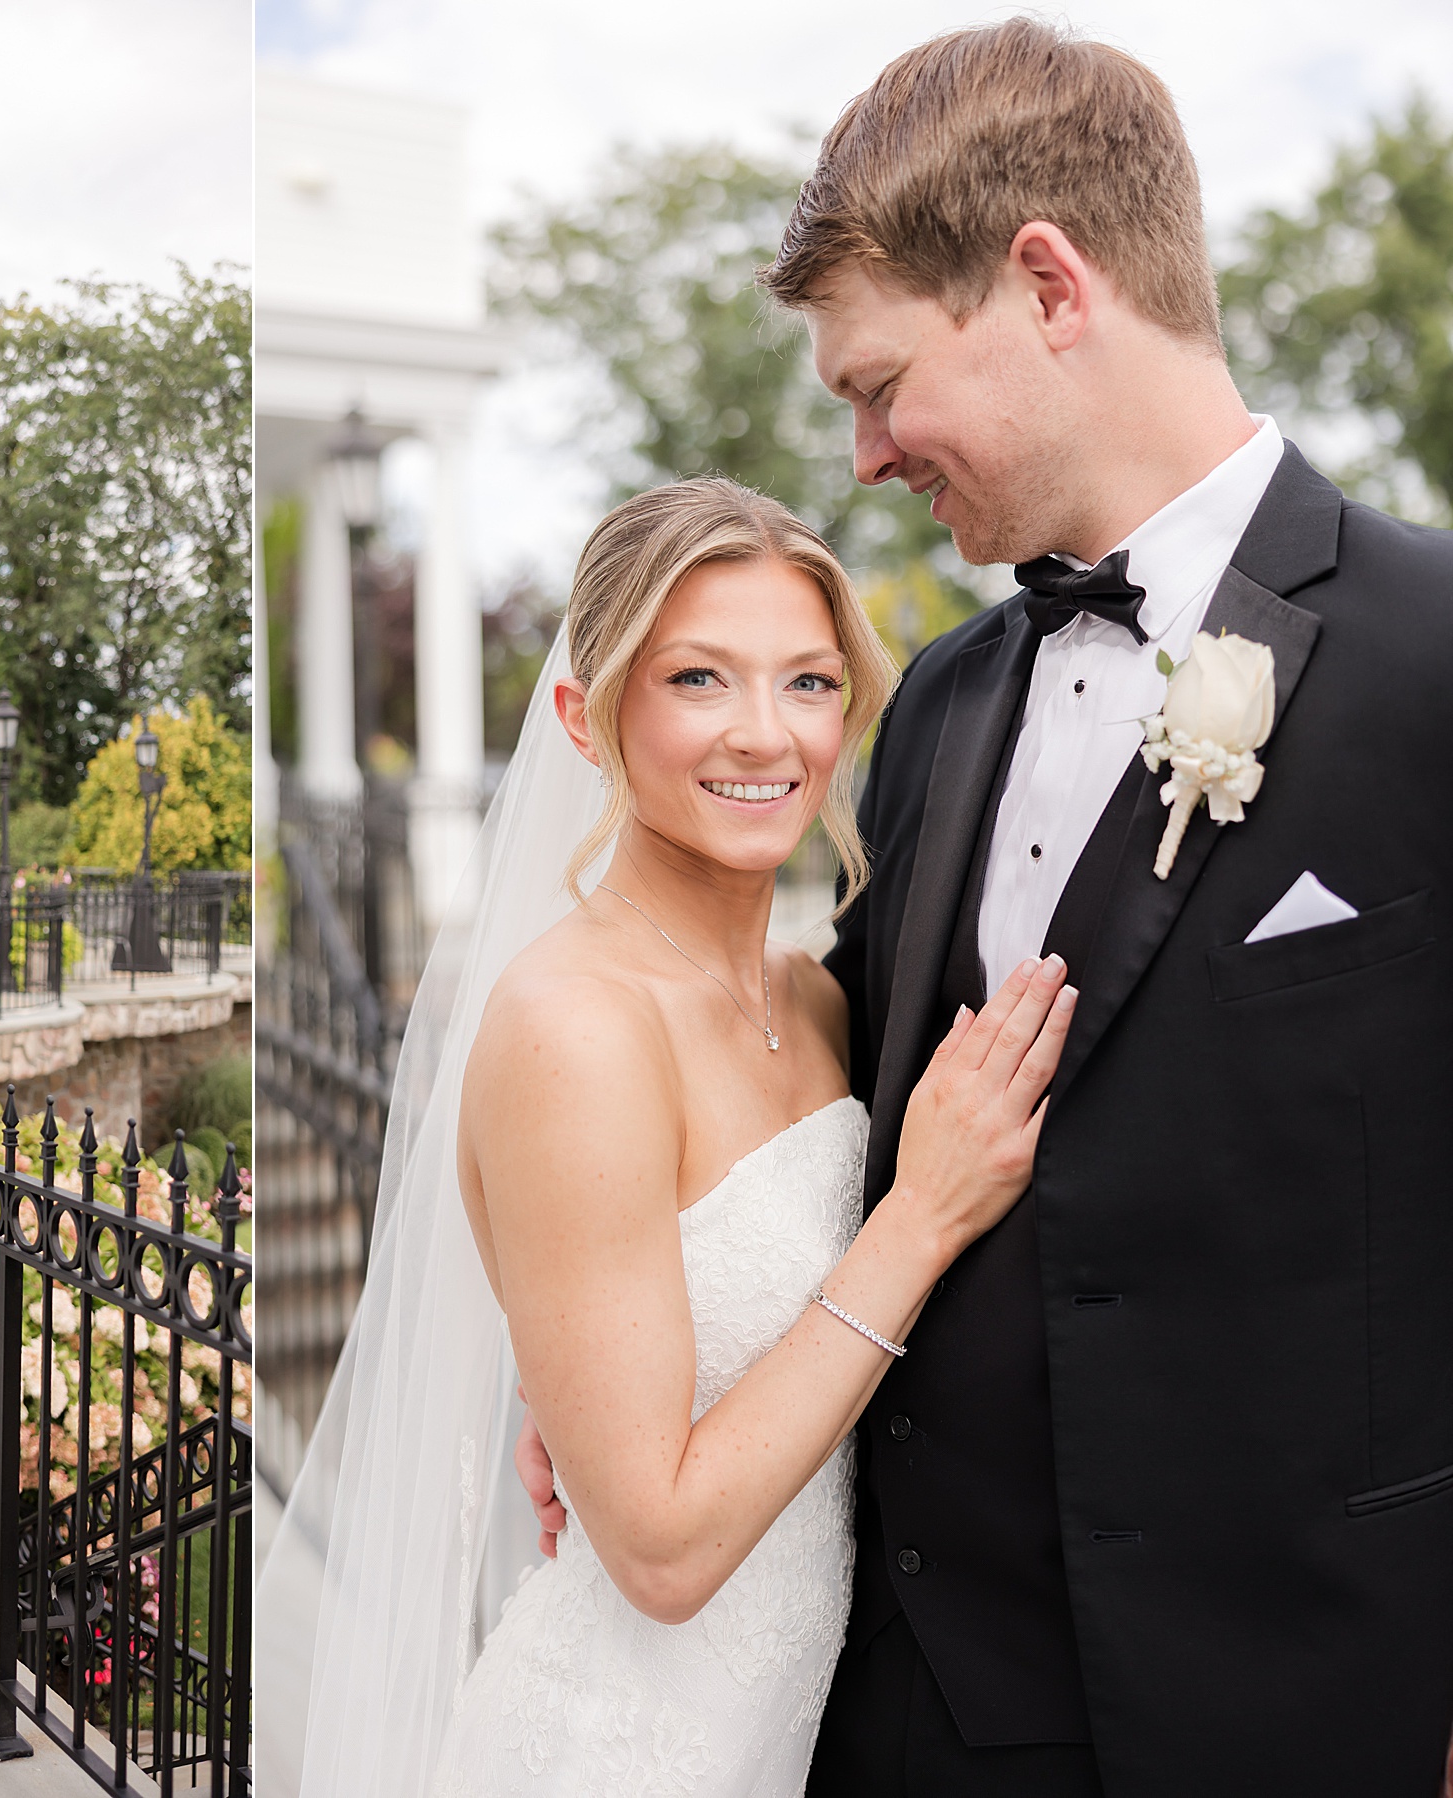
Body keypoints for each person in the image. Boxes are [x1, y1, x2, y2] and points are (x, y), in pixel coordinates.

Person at [516, 19, 1453, 1793]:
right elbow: (827, 1097)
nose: (863, 453)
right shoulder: (937, 701)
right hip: (910, 1711)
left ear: (1047, 283)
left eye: (876, 384)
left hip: (1313, 1706)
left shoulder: (1435, 655)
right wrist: (610, 1346)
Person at [265, 478, 1077, 1796]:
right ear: (589, 718)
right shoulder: (573, 1026)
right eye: (699, 677)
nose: (766, 734)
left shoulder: (816, 996)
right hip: (613, 1751)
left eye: (809, 682)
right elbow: (659, 1551)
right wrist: (919, 1217)